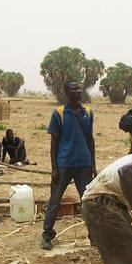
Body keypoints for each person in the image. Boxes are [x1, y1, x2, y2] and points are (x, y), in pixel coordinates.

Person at [41, 81, 96, 250]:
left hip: (84, 164)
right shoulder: (59, 113)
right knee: (55, 201)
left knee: (87, 202)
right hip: (63, 164)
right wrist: (54, 168)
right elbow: (54, 143)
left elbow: (90, 139)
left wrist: (93, 164)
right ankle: (47, 235)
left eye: (80, 88)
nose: (78, 91)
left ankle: (93, 236)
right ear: (66, 92)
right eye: (74, 89)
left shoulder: (88, 112)